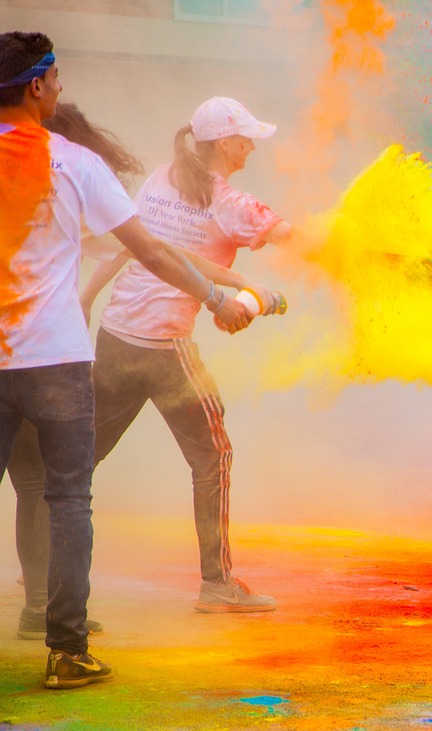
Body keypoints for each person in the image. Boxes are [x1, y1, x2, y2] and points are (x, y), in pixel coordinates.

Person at [0, 31, 252, 688]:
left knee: (44, 491)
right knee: (68, 496)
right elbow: (153, 250)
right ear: (36, 87)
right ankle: (66, 650)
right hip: (53, 359)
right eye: (55, 81)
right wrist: (216, 299)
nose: (61, 91)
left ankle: (43, 618)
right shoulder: (75, 165)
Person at [71, 96, 290, 614]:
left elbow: (145, 247)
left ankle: (40, 577)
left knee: (79, 460)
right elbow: (290, 237)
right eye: (246, 137)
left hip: (117, 335)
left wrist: (88, 299)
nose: (252, 146)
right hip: (166, 345)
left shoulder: (164, 177)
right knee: (213, 457)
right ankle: (217, 585)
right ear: (225, 143)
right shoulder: (232, 202)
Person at [11, 103, 144, 641]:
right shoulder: (66, 172)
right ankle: (57, 628)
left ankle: (38, 606)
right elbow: (135, 246)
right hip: (46, 357)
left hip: (16, 351)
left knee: (30, 486)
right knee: (59, 493)